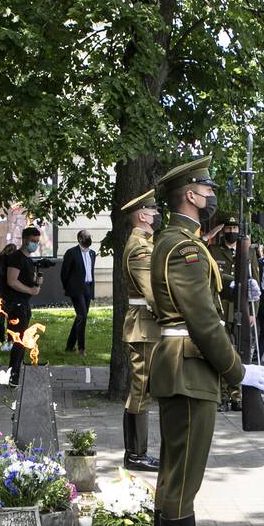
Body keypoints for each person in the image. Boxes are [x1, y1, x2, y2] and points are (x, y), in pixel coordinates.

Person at [150, 155, 264, 526]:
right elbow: (203, 320)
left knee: (176, 476)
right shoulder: (184, 248)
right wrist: (238, 371)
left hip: (183, 366)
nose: (212, 193)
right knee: (182, 480)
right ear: (191, 194)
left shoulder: (182, 242)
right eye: (207, 187)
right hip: (188, 367)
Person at [120, 190, 162, 472]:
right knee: (141, 389)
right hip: (144, 326)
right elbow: (152, 293)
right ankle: (136, 455)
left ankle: (136, 453)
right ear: (143, 215)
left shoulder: (145, 243)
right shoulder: (140, 247)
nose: (158, 216)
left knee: (142, 389)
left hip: (145, 324)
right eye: (154, 212)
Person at [209, 216, 249, 409]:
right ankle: (222, 395)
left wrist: (252, 312)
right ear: (223, 230)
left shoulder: (246, 252)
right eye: (229, 227)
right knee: (223, 350)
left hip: (240, 307)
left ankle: (237, 395)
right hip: (221, 307)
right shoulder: (213, 251)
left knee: (239, 352)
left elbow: (253, 283)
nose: (232, 231)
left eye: (235, 227)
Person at [5, 227, 44, 386]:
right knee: (19, 340)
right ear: (25, 240)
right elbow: (12, 280)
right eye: (32, 241)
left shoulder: (28, 260)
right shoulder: (17, 258)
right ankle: (13, 375)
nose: (34, 244)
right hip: (17, 304)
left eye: (37, 241)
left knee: (22, 338)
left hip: (24, 303)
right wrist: (30, 289)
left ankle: (16, 371)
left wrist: (36, 284)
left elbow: (29, 283)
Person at [61, 229, 97, 356]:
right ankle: (81, 348)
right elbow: (64, 273)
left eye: (89, 236)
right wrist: (68, 287)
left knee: (80, 317)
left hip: (88, 288)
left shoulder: (93, 253)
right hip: (76, 289)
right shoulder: (71, 253)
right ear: (80, 238)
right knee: (83, 316)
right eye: (86, 236)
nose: (89, 238)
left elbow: (90, 272)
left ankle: (69, 346)